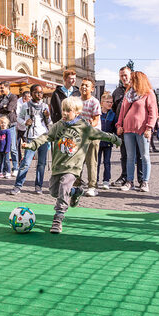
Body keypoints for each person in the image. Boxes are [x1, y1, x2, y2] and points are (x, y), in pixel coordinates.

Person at [22, 96, 121, 234]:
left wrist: (115, 139)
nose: (64, 113)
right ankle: (75, 192)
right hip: (58, 166)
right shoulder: (58, 125)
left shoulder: (84, 127)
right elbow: (46, 136)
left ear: (77, 112)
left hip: (73, 168)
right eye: (63, 110)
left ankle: (58, 218)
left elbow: (100, 134)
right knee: (54, 191)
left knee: (64, 187)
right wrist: (32, 144)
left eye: (68, 110)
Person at [116, 71, 158, 192]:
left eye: (133, 79)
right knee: (130, 156)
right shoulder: (128, 94)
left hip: (142, 130)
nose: (130, 81)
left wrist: (149, 128)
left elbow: (153, 112)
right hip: (128, 130)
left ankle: (145, 182)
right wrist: (119, 125)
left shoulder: (148, 93)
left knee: (144, 156)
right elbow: (122, 112)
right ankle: (129, 181)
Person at [9, 84, 51, 195]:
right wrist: (25, 122)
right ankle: (18, 186)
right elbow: (19, 117)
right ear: (31, 93)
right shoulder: (25, 106)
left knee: (41, 163)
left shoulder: (45, 106)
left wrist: (47, 116)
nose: (39, 94)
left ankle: (38, 186)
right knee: (25, 163)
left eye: (41, 92)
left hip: (43, 137)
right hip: (31, 137)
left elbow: (50, 122)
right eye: (37, 92)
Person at [112, 66, 143, 185]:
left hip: (138, 128)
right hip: (123, 129)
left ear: (131, 75)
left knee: (140, 155)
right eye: (121, 76)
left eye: (125, 75)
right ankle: (125, 176)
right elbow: (114, 110)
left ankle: (141, 179)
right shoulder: (117, 92)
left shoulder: (139, 89)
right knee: (124, 154)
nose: (124, 78)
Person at [77, 78, 101, 196]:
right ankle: (76, 184)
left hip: (92, 135)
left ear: (92, 89)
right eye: (82, 85)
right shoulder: (76, 101)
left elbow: (96, 120)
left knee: (91, 161)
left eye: (87, 85)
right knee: (77, 161)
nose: (84, 87)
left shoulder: (94, 102)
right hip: (78, 136)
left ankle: (92, 186)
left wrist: (90, 125)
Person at [0, 82, 19, 174]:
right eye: (0, 88)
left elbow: (9, 108)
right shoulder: (1, 98)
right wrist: (2, 106)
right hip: (0, 125)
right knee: (0, 146)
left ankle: (15, 168)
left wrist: (1, 107)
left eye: (2, 88)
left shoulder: (13, 97)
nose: (1, 90)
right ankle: (3, 169)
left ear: (7, 88)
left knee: (12, 147)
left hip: (10, 125)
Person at [98, 92, 116, 190]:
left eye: (111, 102)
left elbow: (115, 128)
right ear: (102, 103)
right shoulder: (98, 113)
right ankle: (95, 180)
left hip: (108, 142)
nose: (110, 104)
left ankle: (106, 180)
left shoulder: (113, 115)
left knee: (107, 162)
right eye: (107, 102)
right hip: (98, 141)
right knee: (96, 162)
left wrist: (115, 138)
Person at [15, 90, 31, 161]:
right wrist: (24, 122)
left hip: (26, 128)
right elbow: (18, 114)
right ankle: (19, 160)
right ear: (24, 98)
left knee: (27, 144)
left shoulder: (30, 102)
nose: (30, 98)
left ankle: (27, 159)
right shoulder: (18, 103)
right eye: (29, 97)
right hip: (18, 127)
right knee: (17, 145)